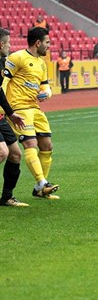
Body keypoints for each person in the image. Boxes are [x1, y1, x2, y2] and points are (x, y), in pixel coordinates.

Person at [3, 27, 59, 200]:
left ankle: (39, 189)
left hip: (35, 108)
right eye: (47, 42)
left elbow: (45, 84)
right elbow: (4, 81)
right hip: (19, 109)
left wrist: (47, 92)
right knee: (30, 144)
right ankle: (42, 182)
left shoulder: (42, 64)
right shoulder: (17, 57)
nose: (49, 46)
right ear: (38, 43)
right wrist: (3, 108)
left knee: (47, 145)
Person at [0, 28, 27, 207]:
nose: (10, 46)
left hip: (0, 117)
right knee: (2, 152)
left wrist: (10, 113)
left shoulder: (2, 62)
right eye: (8, 43)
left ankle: (6, 197)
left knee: (15, 154)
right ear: (1, 44)